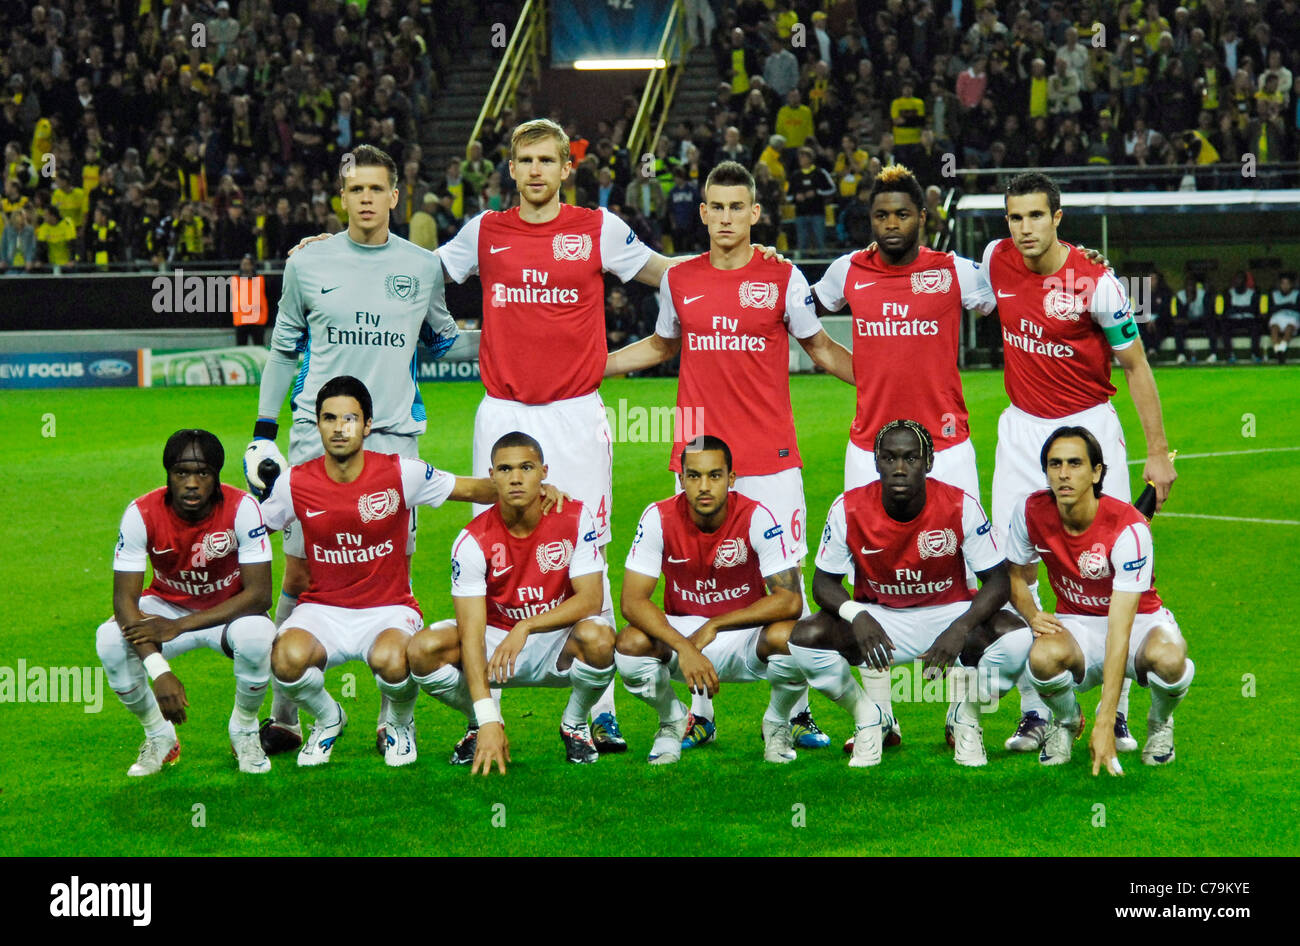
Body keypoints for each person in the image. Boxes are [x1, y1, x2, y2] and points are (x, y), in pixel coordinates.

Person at [605, 161, 854, 750]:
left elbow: (820, 348)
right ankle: (699, 712)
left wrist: (892, 385)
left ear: (755, 213)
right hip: (697, 460)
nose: (725, 217)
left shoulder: (783, 276)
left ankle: (789, 715)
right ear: (703, 212)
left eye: (736, 207)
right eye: (715, 207)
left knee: (784, 594)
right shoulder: (680, 280)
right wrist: (596, 366)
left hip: (770, 459)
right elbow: (664, 344)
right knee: (695, 583)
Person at [244, 144, 458, 757]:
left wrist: (399, 357)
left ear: (396, 196)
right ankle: (288, 711)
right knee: (302, 570)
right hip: (317, 440)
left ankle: (395, 718)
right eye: (355, 189)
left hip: (392, 440)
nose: (366, 199)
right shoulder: (308, 264)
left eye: (377, 189)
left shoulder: (421, 267)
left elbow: (442, 336)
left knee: (390, 572)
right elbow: (284, 350)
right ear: (342, 197)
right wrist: (263, 430)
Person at [982, 171, 1176, 753]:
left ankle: (1112, 709)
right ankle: (1037, 708)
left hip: (1088, 427)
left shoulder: (1098, 284)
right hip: (1021, 432)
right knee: (1013, 567)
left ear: (1058, 217)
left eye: (1035, 216)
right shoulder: (995, 261)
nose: (1023, 229)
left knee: (1104, 562)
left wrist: (1159, 455)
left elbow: (1136, 366)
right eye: (1014, 218)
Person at [813, 164, 996, 750]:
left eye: (902, 214)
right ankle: (880, 717)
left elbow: (1016, 294)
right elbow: (800, 313)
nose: (891, 225)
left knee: (968, 578)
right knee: (868, 578)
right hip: (870, 445)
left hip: (949, 445)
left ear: (924, 218)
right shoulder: (848, 271)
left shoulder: (954, 273)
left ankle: (959, 714)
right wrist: (857, 374)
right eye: (880, 215)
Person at [258, 376, 524, 767]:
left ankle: (399, 723)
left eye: (350, 418)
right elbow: (252, 530)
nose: (339, 427)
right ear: (318, 424)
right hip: (323, 609)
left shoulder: (401, 473)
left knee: (393, 659)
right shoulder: (295, 482)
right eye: (329, 418)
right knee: (284, 658)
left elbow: (472, 490)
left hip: (388, 608)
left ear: (367, 425)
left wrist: (537, 488)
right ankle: (329, 719)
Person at [787, 420, 1031, 767]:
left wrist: (960, 628)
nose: (899, 468)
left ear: (928, 462)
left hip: (948, 613)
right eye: (888, 458)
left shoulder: (959, 505)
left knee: (1017, 638)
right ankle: (869, 716)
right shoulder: (848, 508)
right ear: (875, 462)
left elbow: (997, 581)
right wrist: (857, 615)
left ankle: (966, 716)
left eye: (911, 459)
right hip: (881, 620)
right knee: (804, 637)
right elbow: (823, 583)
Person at [405, 432, 614, 772]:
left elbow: (591, 599)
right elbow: (472, 635)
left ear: (544, 472)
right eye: (504, 469)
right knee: (423, 649)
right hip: (494, 643)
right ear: (491, 476)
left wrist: (527, 625)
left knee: (601, 637)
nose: (516, 478)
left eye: (526, 468)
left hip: (555, 640)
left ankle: (574, 723)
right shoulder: (471, 540)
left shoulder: (575, 517)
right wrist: (488, 717)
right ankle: (480, 723)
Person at [1008, 427, 1193, 773]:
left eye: (1075, 463)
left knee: (1169, 658)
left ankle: (1159, 722)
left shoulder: (1129, 530)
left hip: (1138, 620)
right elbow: (1016, 575)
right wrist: (1032, 613)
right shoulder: (1030, 512)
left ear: (1096, 472)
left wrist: (1106, 720)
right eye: (1054, 464)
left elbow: (1119, 628)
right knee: (1042, 656)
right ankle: (1066, 722)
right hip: (1077, 622)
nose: (1063, 473)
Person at [616, 437, 808, 764]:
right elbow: (632, 602)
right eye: (694, 476)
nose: (704, 486)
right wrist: (685, 647)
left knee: (799, 638)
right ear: (681, 479)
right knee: (629, 644)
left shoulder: (757, 516)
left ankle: (777, 722)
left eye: (715, 476)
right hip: (682, 636)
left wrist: (715, 625)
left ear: (731, 479)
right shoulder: (657, 517)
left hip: (744, 634)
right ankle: (671, 720)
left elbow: (790, 600)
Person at [96, 430, 276, 776]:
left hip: (229, 610)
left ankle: (244, 730)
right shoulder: (141, 513)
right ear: (168, 475)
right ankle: (159, 737)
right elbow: (124, 601)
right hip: (166, 605)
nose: (192, 483)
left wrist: (178, 627)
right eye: (182, 473)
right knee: (109, 641)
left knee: (256, 635)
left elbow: (259, 595)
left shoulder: (243, 508)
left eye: (202, 473)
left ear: (217, 476)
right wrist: (159, 671)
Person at [1267, 272, 1298, 364]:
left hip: (1292, 316)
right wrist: (1288, 305)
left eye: (1287, 284)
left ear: (1291, 285)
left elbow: (1297, 308)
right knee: (1274, 328)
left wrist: (1281, 306)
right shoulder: (1274, 294)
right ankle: (1278, 350)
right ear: (1279, 285)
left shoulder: (1297, 294)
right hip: (1277, 316)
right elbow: (1271, 309)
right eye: (1283, 283)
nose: (1285, 286)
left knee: (1289, 327)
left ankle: (1282, 349)